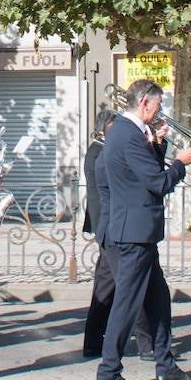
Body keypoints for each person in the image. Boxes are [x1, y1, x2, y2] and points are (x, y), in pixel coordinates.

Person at [94, 79, 191, 380]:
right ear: (144, 103)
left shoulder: (129, 134)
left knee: (158, 300)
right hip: (133, 232)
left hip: (139, 231)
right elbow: (157, 183)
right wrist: (181, 164)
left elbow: (144, 173)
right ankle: (108, 372)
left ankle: (165, 366)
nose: (160, 111)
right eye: (157, 105)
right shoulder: (127, 136)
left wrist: (157, 144)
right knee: (127, 304)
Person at [82, 111, 153, 359]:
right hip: (114, 229)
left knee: (105, 288)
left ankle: (92, 342)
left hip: (108, 228)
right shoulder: (102, 153)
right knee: (131, 287)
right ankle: (147, 345)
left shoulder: (100, 150)